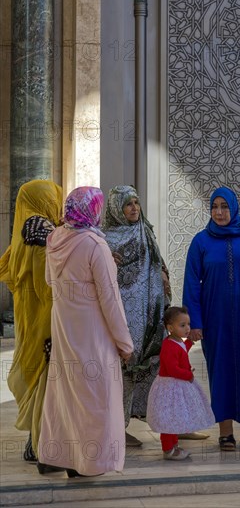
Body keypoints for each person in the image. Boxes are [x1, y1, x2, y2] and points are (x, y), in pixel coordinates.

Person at [37, 186, 134, 477]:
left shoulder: (55, 238)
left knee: (63, 395)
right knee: (95, 398)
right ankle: (87, 463)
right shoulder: (95, 245)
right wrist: (124, 343)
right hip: (94, 334)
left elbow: (49, 281)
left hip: (65, 329)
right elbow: (110, 300)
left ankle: (58, 455)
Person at [183, 186, 240, 451]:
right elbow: (191, 284)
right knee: (220, 372)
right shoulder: (201, 241)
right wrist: (195, 323)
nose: (219, 212)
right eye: (215, 207)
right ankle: (226, 433)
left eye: (224, 206)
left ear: (233, 207)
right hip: (216, 319)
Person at [0, 180, 63, 463]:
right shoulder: (43, 234)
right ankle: (39, 446)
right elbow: (47, 285)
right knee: (45, 378)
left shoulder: (23, 229)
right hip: (45, 318)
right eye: (53, 197)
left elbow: (7, 269)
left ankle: (35, 440)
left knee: (37, 375)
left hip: (27, 317)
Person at [103, 185, 170, 447]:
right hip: (121, 316)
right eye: (127, 204)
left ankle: (165, 424)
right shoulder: (104, 238)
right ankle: (117, 428)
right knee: (122, 371)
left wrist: (164, 278)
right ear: (115, 209)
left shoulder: (146, 230)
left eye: (136, 203)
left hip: (148, 313)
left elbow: (157, 264)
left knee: (147, 367)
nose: (133, 209)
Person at [146, 306, 215, 460]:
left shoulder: (176, 341)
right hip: (169, 387)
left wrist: (190, 341)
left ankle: (174, 445)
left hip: (176, 386)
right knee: (169, 418)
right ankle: (168, 449)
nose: (187, 328)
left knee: (175, 416)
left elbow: (182, 349)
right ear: (170, 328)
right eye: (182, 325)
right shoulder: (168, 345)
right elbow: (172, 369)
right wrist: (188, 375)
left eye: (188, 324)